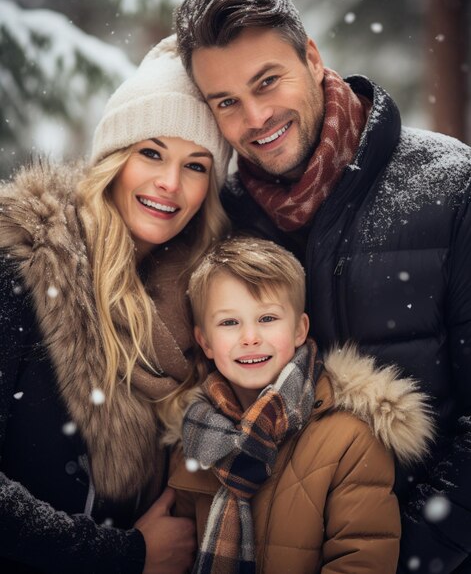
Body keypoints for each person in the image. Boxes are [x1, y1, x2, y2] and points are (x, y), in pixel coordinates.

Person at [174, 0, 471, 573]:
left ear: (312, 56)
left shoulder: (452, 187)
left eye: (267, 81)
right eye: (226, 102)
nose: (256, 117)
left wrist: (399, 557)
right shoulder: (227, 222)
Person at [0, 34, 232, 573]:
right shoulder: (23, 266)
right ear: (113, 159)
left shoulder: (202, 303)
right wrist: (123, 555)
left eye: (196, 165)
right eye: (151, 152)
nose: (169, 183)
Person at [164, 236, 433, 574]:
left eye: (267, 318)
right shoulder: (194, 438)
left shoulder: (350, 440)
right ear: (204, 340)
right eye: (229, 322)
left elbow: (361, 560)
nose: (249, 337)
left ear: (299, 330)